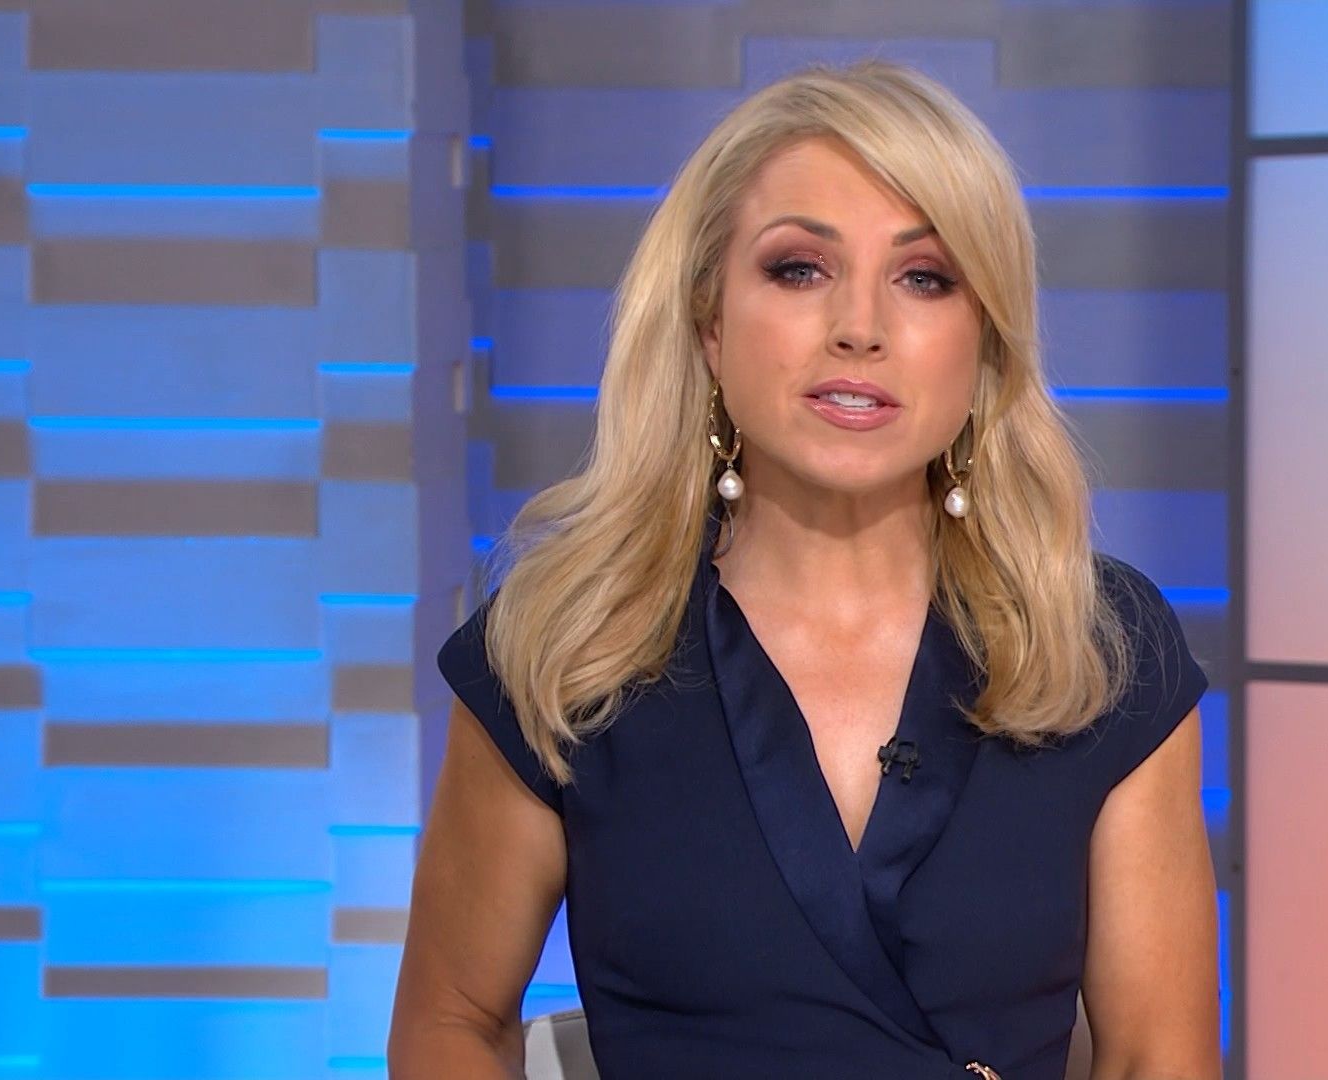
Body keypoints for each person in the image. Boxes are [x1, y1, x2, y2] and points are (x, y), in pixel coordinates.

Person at [388, 60, 1218, 1080]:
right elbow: (453, 1021)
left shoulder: (1104, 653)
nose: (860, 328)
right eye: (798, 269)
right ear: (710, 323)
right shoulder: (565, 644)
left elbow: (1156, 1057)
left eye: (925, 277)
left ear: (985, 345)